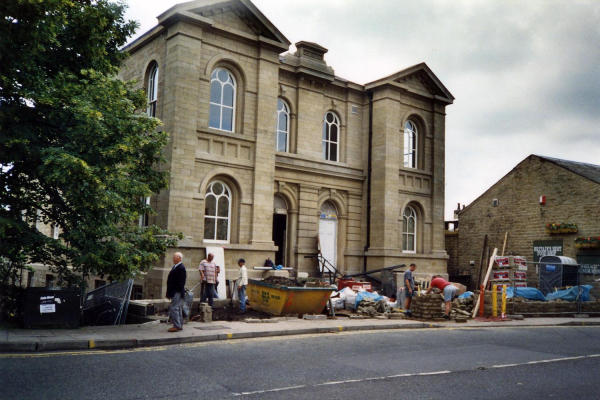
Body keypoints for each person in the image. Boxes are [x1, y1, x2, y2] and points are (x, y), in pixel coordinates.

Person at [166, 252, 186, 332]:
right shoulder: (176, 267)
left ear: (179, 258)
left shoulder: (181, 268)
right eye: (173, 257)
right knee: (178, 308)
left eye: (175, 257)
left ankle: (176, 325)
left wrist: (175, 291)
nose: (173, 259)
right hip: (175, 291)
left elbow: (181, 282)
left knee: (174, 308)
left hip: (177, 292)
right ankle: (179, 325)